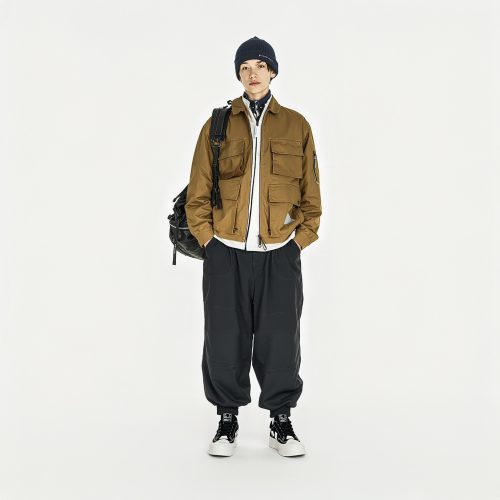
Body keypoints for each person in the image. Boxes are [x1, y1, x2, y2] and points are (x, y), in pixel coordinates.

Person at [185, 36, 322, 457]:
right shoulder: (217, 124)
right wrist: (208, 241)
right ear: (238, 74)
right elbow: (198, 192)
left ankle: (281, 421)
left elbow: (311, 196)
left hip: (279, 253)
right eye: (245, 67)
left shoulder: (296, 125)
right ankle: (227, 419)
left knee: (281, 339)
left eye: (260, 66)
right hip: (224, 251)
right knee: (224, 337)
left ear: (273, 72)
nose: (253, 73)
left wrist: (298, 242)